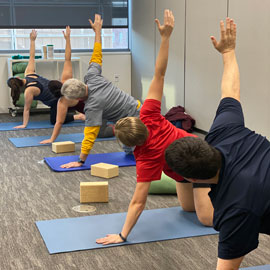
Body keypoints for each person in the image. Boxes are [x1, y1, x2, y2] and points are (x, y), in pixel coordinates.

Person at [96, 9, 214, 247]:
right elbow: (159, 73)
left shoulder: (144, 157)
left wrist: (122, 235)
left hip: (199, 161)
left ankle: (229, 189)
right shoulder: (148, 113)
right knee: (186, 209)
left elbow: (138, 202)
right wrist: (166, 38)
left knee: (206, 220)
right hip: (180, 173)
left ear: (129, 146)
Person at [165, 18, 270, 270]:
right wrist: (228, 52)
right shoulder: (224, 132)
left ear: (190, 181)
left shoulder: (236, 207)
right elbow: (230, 90)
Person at [60, 14, 141, 168]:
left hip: (135, 118)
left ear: (77, 99)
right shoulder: (91, 76)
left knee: (141, 150)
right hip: (134, 107)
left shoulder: (92, 106)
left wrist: (80, 161)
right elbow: (97, 54)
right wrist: (97, 31)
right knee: (128, 150)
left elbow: (89, 136)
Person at [7, 27, 84, 129]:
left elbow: (26, 109)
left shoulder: (29, 91)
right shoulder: (29, 73)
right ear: (18, 77)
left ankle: (78, 117)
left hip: (60, 101)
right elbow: (32, 56)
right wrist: (32, 41)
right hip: (74, 98)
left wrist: (24, 124)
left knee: (54, 120)